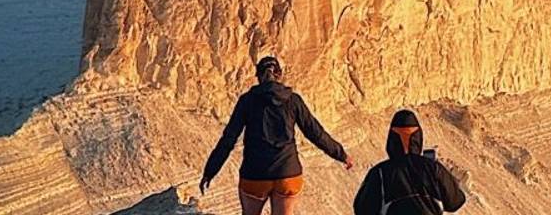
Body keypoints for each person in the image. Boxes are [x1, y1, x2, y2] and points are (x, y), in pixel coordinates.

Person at [200, 56, 354, 214]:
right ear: (279, 75)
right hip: (287, 173)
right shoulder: (293, 100)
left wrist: (210, 171)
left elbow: (229, 139)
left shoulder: (247, 101)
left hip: (255, 174)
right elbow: (315, 132)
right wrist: (341, 155)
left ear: (258, 77)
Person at [352, 110, 466, 215]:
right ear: (418, 138)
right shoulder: (434, 168)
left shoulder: (380, 173)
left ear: (392, 140)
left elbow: (362, 209)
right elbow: (455, 202)